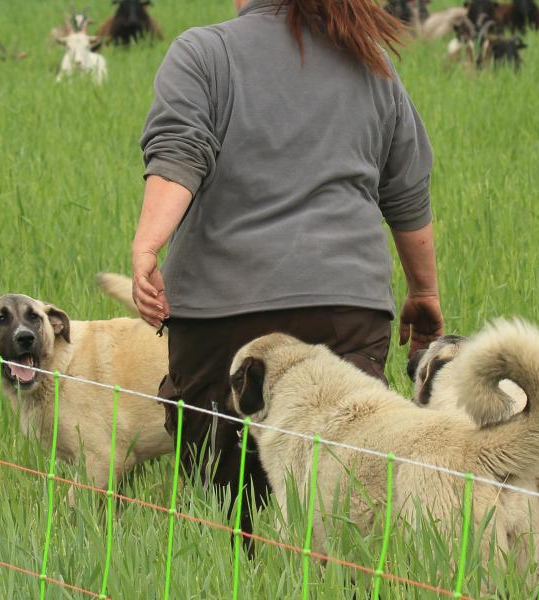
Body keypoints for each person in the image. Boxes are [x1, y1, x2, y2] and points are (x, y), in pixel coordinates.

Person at [131, 0, 443, 539]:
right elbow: (406, 192)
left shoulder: (204, 52)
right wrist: (424, 291)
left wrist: (147, 248)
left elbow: (180, 153)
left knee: (225, 491)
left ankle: (244, 572)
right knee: (346, 490)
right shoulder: (372, 62)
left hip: (222, 311)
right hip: (346, 309)